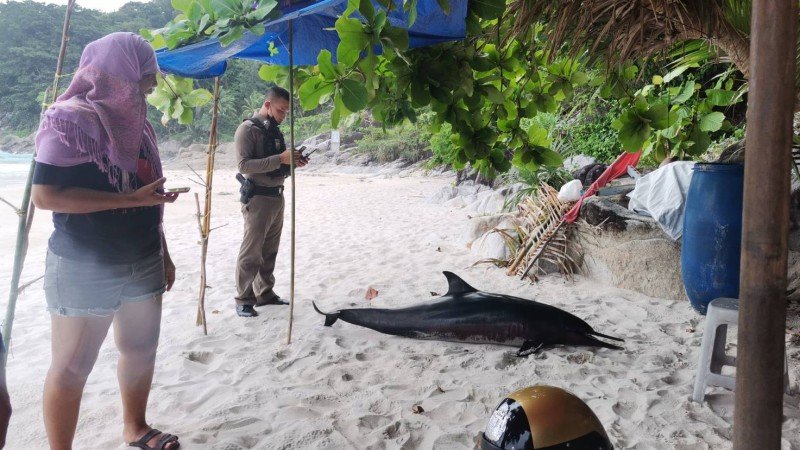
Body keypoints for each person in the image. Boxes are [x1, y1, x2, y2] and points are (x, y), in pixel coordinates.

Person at [31, 33, 181, 450]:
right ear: (121, 73)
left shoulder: (139, 124)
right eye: (144, 78)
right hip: (84, 264)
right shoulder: (68, 119)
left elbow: (148, 194)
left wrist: (163, 253)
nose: (150, 86)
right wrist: (124, 199)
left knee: (139, 350)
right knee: (72, 366)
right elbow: (45, 197)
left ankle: (136, 428)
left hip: (143, 256)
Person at [234, 86, 308, 317]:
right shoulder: (247, 130)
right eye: (280, 110)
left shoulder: (274, 130)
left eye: (286, 112)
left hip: (277, 195)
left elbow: (278, 163)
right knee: (251, 252)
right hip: (258, 199)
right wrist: (280, 158)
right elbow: (244, 166)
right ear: (267, 104)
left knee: (269, 251)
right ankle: (243, 299)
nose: (283, 116)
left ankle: (264, 293)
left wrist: (293, 162)